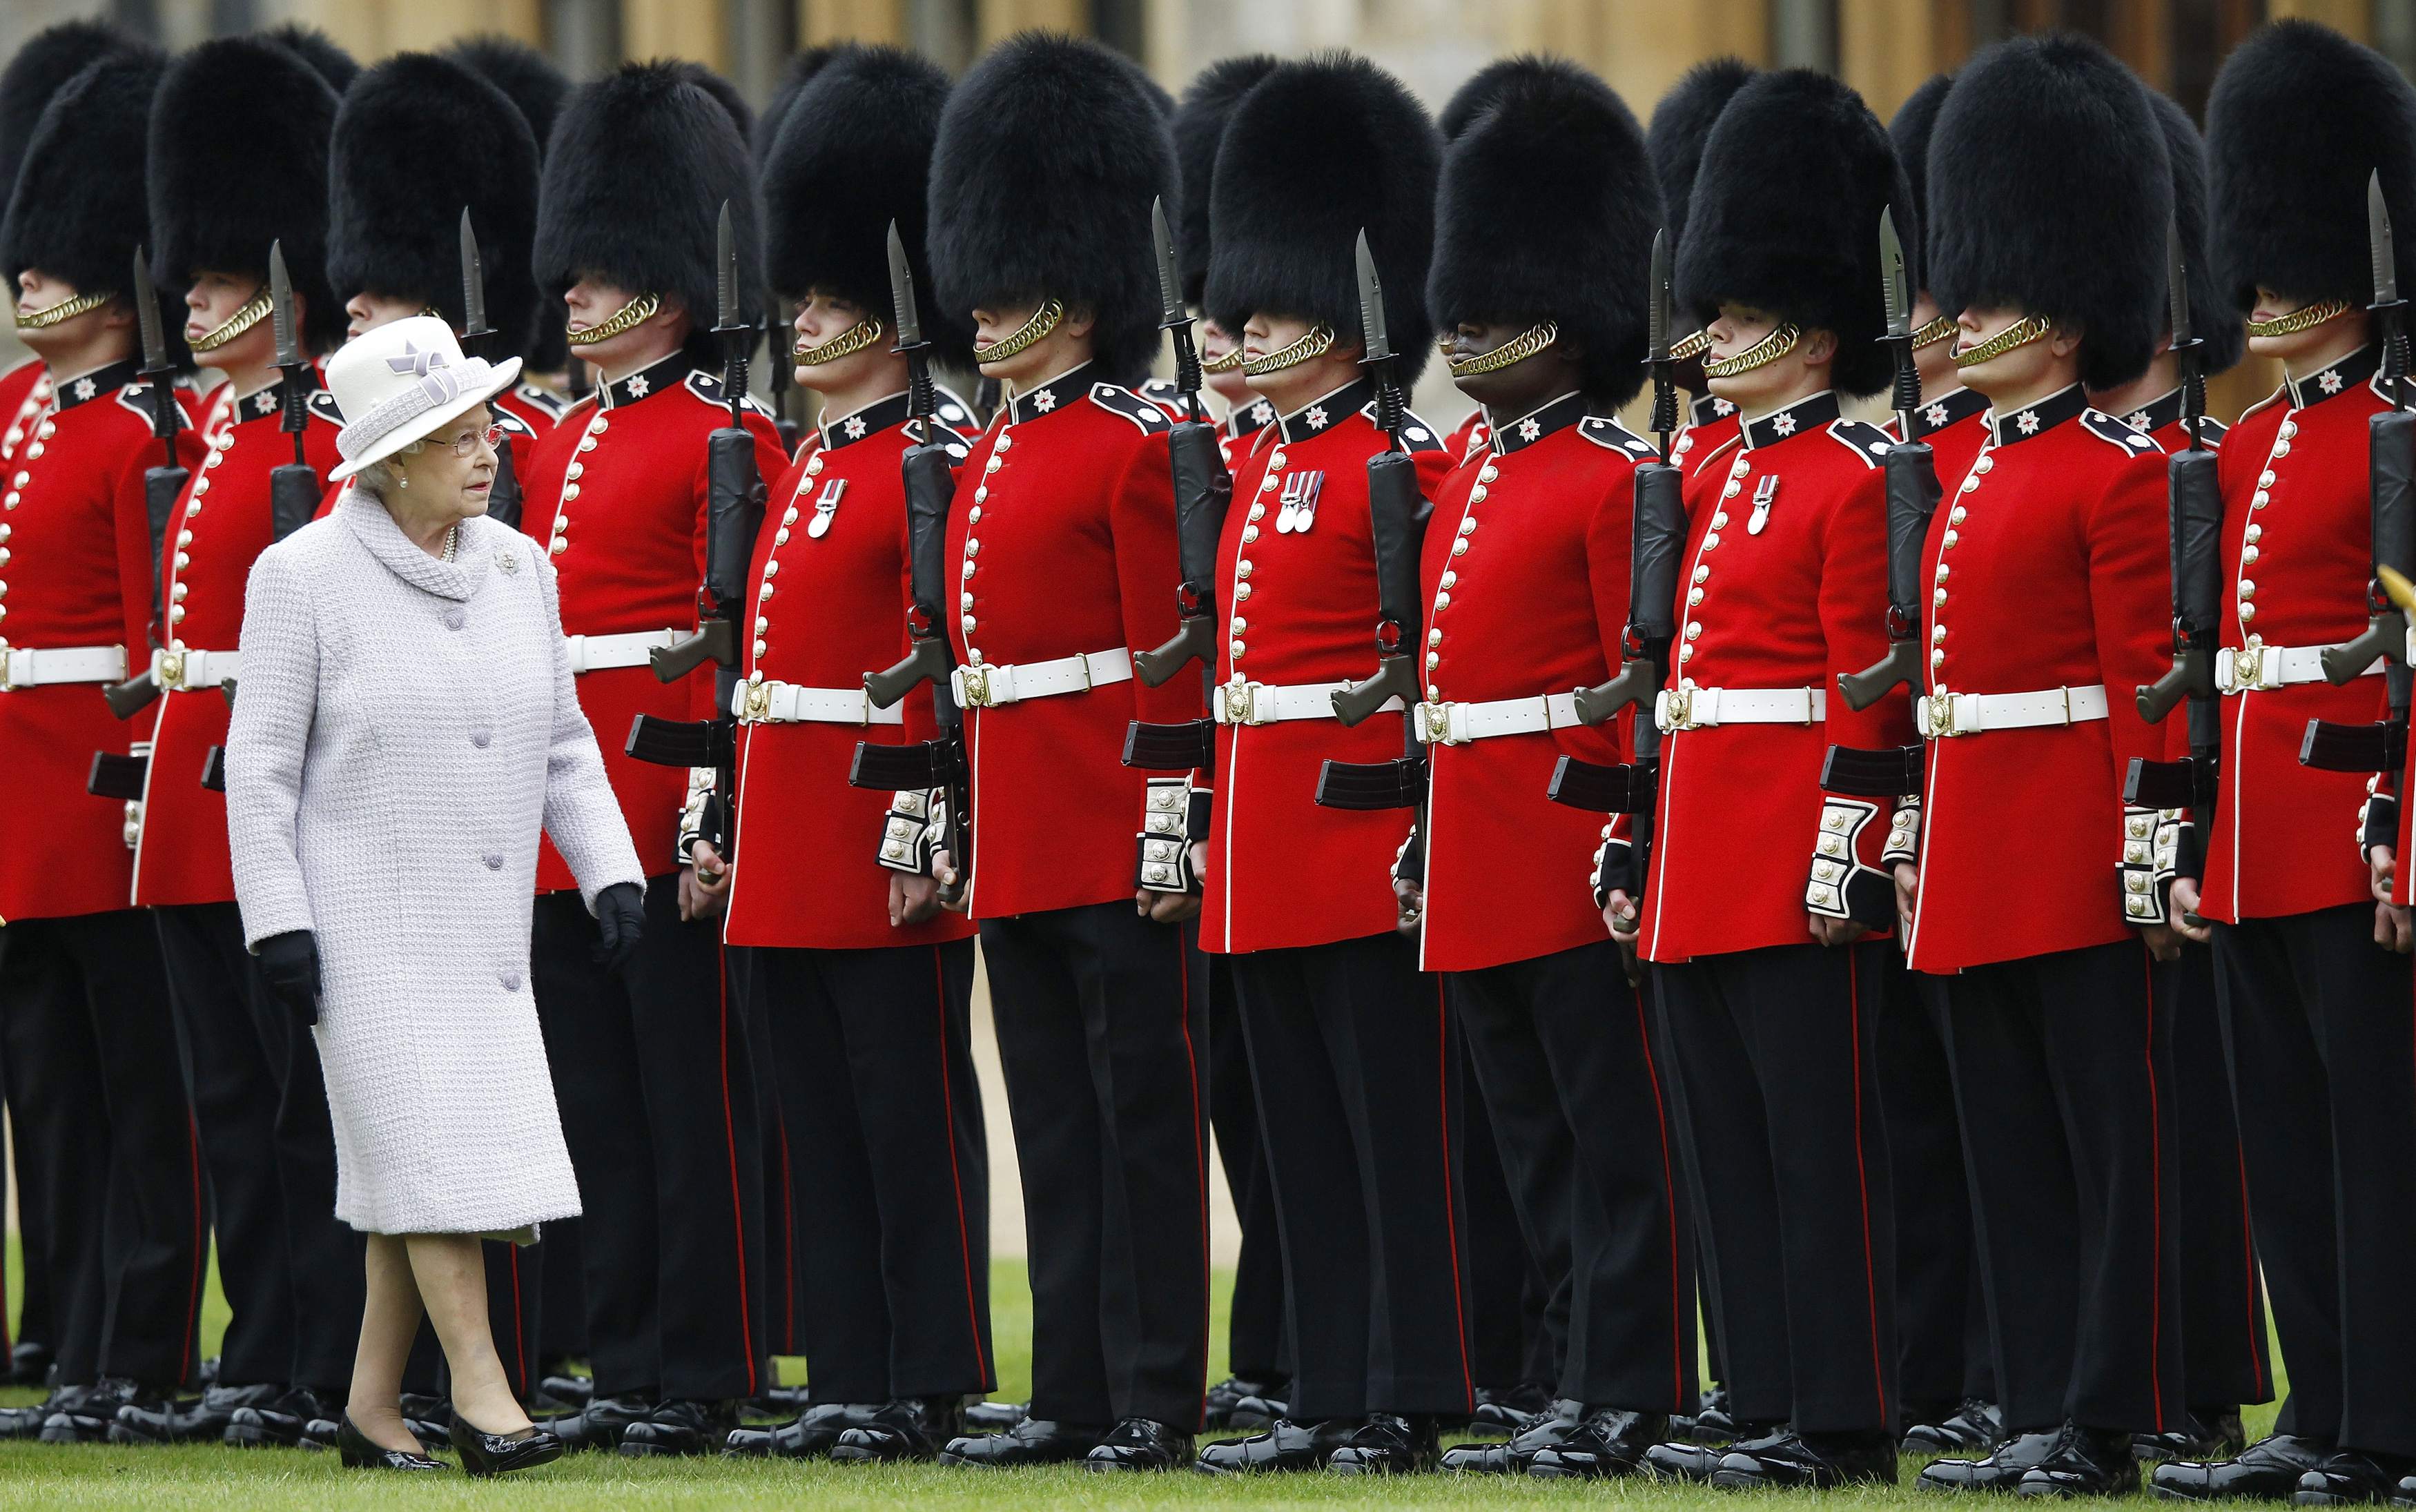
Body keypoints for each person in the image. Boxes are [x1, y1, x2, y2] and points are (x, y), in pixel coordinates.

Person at [224, 315, 641, 1476]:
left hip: (484, 935)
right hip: (358, 934)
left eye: (489, 428)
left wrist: (609, 871)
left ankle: (369, 1409)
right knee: (432, 1165)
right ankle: (484, 1395)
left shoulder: (521, 569)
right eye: (456, 437)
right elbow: (258, 771)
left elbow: (565, 744)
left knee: (413, 1175)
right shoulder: (300, 577)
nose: (488, 450)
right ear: (388, 460)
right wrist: (281, 922)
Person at [1608, 68, 1911, 1492]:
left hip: (1790, 840)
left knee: (1817, 1154)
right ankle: (1761, 1390)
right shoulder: (1716, 470)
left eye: (1729, 316)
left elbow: (1869, 686)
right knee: (1722, 1149)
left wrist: (1844, 848)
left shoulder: (1856, 474)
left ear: (1801, 328)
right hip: (1697, 846)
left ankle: (1840, 1416)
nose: (1708, 334)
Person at [1403, 56, 1697, 1481]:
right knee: (1529, 1142)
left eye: (1494, 296)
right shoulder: (1469, 473)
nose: (1463, 325)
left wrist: (1620, 838)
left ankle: (1626, 1383)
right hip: (1472, 837)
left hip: (1563, 848)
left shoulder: (1608, 476)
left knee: (1611, 1140)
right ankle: (1557, 1373)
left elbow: (1627, 694)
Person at [700, 44, 995, 1465]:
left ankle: (928, 1373)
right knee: (812, 1118)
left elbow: (944, 665)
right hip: (781, 824)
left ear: (891, 311)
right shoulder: (804, 457)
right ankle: (848, 1372)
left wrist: (931, 832)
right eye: (801, 298)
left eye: (827, 300)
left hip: (875, 825)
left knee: (904, 1116)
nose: (803, 321)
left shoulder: (935, 454)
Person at [921, 32, 1209, 1474]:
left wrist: (1171, 818)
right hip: (1023, 826)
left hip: (1112, 817)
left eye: (1008, 281)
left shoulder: (1135, 443)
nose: (976, 309)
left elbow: (1171, 649)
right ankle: (1075, 1390)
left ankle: (1159, 1390)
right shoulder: (988, 450)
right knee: (1051, 1113)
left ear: (1079, 291)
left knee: (1142, 1113)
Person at [1902, 36, 2185, 1496]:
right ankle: (2027, 1406)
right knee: (2005, 1145)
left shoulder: (2112, 472)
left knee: (2102, 1148)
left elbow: (2150, 682)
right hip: (1975, 833)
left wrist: (2151, 843)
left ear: (2066, 319)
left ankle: (2102, 1415)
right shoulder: (1975, 468)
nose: (1969, 312)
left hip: (2071, 833)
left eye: (1998, 290)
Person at [1190, 53, 1472, 1478]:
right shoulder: (1261, 464)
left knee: (1387, 1137)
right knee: (1299, 1143)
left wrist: (1414, 832)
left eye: (1280, 297)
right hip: (1261, 838)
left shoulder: (1397, 463)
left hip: (1355, 839)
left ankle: (1403, 1390)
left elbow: (1422, 673)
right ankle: (1319, 1385)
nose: (1250, 320)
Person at [2154, 21, 2416, 1505]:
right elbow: (2211, 671)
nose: (2262, 289)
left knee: (2375, 1148)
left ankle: (2388, 1423)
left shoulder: (2399, 434)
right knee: (2287, 1143)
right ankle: (2317, 1415)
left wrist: (2401, 824)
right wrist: (2189, 838)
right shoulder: (2244, 450)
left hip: (2347, 829)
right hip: (2251, 838)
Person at [521, 61, 788, 1457]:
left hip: (662, 800)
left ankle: (705, 1361)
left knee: (693, 1106)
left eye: (603, 266)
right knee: (598, 1111)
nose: (570, 288)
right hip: (565, 814)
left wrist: (714, 815)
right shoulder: (562, 438)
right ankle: (624, 1351)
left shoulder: (726, 436)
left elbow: (735, 652)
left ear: (672, 283)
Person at [121, 31, 358, 1451]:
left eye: (218, 279)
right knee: (225, 1090)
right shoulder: (219, 430)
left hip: (276, 783)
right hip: (194, 773)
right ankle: (254, 1339)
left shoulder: (321, 426)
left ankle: (310, 1347)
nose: (194, 301)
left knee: (294, 1096)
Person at [0, 38, 207, 1445]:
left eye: (51, 259)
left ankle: (143, 1345)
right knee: (51, 1095)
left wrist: (137, 790)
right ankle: (70, 1332)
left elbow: (155, 641)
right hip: (20, 789)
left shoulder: (153, 427)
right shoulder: (18, 416)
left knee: (144, 1086)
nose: (24, 281)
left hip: (99, 779)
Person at [2089, 87, 2274, 1469]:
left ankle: (2198, 1380)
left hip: (2209, 823)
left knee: (2186, 1122)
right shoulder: (2116, 463)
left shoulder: (2192, 463)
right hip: (2137, 824)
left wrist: (2166, 843)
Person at [1874, 67, 1999, 1464]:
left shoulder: (1986, 456)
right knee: (1920, 1118)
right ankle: (1934, 1364)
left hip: (1989, 806)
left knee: (1997, 1124)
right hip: (1918, 808)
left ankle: (1993, 1371)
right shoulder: (1909, 455)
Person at [1169, 54, 1292, 1434]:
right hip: (1205, 809)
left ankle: (1290, 1342)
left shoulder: (1326, 461)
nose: (1217, 332)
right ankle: (1267, 1345)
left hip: (1279, 805)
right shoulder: (1186, 448)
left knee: (1285, 1107)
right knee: (1233, 1102)